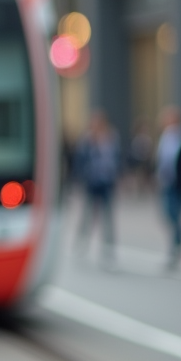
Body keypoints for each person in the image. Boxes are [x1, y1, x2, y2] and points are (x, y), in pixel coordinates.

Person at [74, 110, 120, 264]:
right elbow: (80, 160)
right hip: (91, 183)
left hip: (106, 182)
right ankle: (81, 244)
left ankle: (108, 249)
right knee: (87, 216)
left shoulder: (111, 138)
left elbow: (116, 159)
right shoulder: (87, 140)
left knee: (108, 217)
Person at [155, 105, 181, 272]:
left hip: (180, 184)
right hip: (166, 182)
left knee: (175, 213)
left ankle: (176, 248)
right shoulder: (165, 136)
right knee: (168, 214)